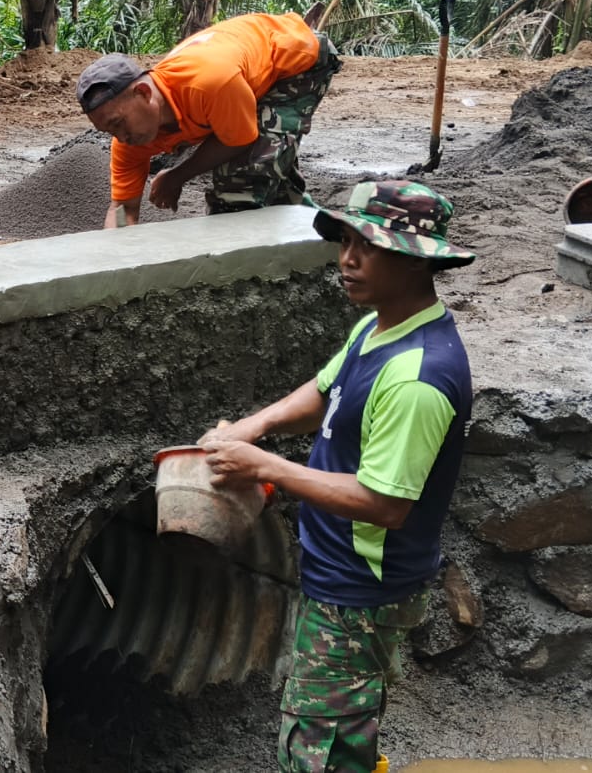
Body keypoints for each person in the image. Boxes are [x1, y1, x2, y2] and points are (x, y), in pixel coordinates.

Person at [200, 180, 475, 773]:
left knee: (317, 752)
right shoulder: (379, 328)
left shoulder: (416, 380)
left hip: (362, 592)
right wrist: (255, 426)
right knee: (342, 732)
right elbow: (326, 392)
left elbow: (383, 504)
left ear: (416, 260)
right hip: (339, 576)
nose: (347, 261)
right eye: (345, 241)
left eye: (367, 248)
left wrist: (265, 465)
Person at [77, 12, 342, 229]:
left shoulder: (207, 84)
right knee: (266, 165)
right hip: (244, 79)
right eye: (108, 131)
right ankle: (313, 227)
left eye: (118, 123)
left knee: (240, 179)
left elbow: (240, 140)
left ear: (144, 93)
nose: (120, 137)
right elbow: (122, 209)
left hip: (297, 59)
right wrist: (112, 253)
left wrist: (176, 176)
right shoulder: (129, 142)